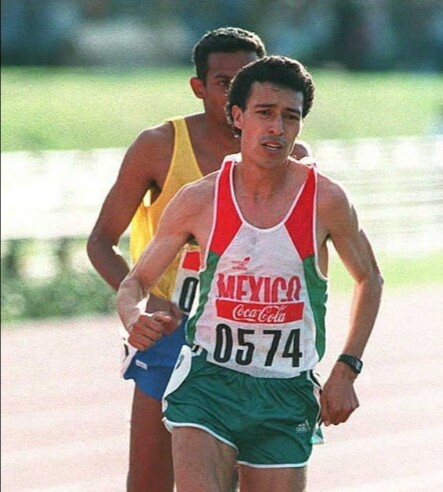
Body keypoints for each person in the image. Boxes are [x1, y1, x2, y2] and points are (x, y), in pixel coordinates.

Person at [116, 56, 384, 492]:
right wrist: (133, 317)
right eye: (265, 113)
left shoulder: (327, 201)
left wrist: (346, 369)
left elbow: (370, 278)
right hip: (208, 382)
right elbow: (136, 282)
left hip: (286, 389)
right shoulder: (200, 199)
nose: (277, 127)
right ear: (238, 117)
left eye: (290, 117)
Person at [87, 28, 312, 492]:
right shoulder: (160, 146)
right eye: (223, 82)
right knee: (149, 481)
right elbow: (101, 242)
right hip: (173, 332)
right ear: (198, 87)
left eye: (244, 81)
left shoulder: (293, 159)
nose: (234, 93)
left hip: (249, 338)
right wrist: (143, 306)